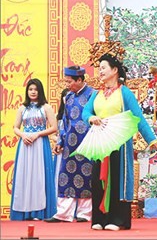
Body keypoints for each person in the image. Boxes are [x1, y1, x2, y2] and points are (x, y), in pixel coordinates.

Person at [82, 53, 157, 231]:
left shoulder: (124, 93)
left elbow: (139, 118)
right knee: (98, 180)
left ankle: (118, 219)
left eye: (103, 68)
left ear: (114, 70)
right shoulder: (97, 94)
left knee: (117, 178)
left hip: (118, 143)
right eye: (99, 68)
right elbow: (85, 112)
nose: (100, 72)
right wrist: (92, 118)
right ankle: (99, 218)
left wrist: (152, 139)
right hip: (100, 143)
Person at [45, 66, 94, 223]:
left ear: (79, 80)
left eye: (69, 81)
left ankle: (85, 214)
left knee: (86, 175)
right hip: (69, 143)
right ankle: (63, 213)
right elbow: (64, 121)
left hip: (88, 142)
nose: (67, 84)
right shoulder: (69, 97)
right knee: (66, 176)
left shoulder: (93, 95)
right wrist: (60, 140)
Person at [11, 78, 58, 220]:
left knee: (39, 176)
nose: (33, 92)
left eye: (35, 89)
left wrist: (37, 134)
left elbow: (54, 128)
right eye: (30, 89)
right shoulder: (22, 108)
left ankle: (39, 212)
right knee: (24, 176)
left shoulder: (46, 107)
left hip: (40, 145)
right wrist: (23, 135)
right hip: (25, 146)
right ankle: (24, 212)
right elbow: (15, 127)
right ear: (27, 91)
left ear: (40, 91)